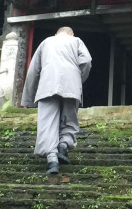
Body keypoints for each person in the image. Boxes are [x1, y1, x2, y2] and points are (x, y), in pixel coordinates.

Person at [21, 26, 92, 174]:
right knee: (69, 118)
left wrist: (28, 97)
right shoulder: (76, 41)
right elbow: (86, 61)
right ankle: (64, 145)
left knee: (47, 122)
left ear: (56, 34)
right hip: (71, 85)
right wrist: (79, 79)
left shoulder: (46, 42)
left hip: (48, 84)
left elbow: (34, 70)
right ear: (71, 33)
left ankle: (52, 160)